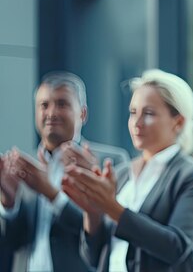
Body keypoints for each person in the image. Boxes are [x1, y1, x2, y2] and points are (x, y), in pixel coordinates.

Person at [61, 69, 193, 271]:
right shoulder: (122, 173)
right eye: (133, 112)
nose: (137, 123)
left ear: (178, 122)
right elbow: (93, 257)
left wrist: (111, 207)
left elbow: (176, 247)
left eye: (148, 113)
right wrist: (92, 212)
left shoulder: (192, 176)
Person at [0, 71, 129, 272]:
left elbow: (106, 236)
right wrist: (8, 202)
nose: (51, 113)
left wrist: (52, 194)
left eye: (62, 104)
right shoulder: (23, 165)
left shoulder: (108, 162)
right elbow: (11, 241)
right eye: (44, 105)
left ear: (83, 114)